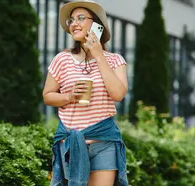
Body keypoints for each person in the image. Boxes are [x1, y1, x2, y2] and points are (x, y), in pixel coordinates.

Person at [42, 0, 129, 186]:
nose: (74, 23)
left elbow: (118, 94)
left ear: (97, 24)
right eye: (71, 20)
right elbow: (47, 95)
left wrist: (98, 55)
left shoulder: (115, 60)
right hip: (70, 143)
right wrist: (68, 96)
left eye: (81, 18)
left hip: (104, 142)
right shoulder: (62, 59)